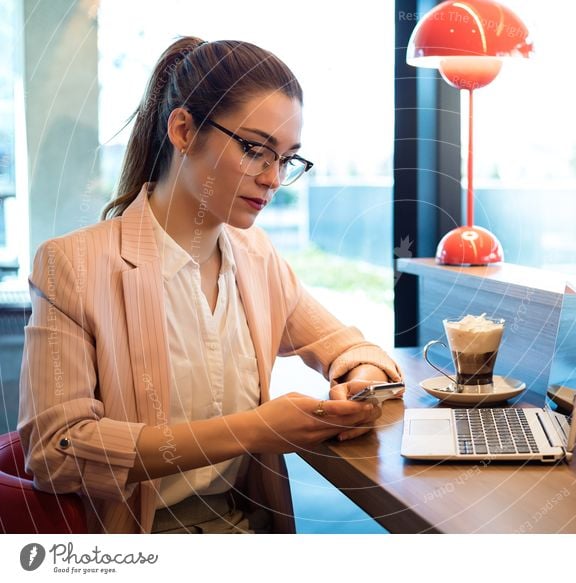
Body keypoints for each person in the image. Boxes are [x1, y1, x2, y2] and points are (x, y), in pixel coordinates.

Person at [17, 37, 402, 534]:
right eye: (255, 151)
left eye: (286, 159)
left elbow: (347, 346)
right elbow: (55, 451)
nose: (272, 179)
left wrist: (363, 381)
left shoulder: (256, 257)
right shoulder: (74, 266)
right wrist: (255, 430)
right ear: (182, 129)